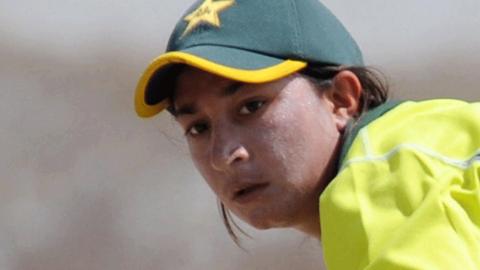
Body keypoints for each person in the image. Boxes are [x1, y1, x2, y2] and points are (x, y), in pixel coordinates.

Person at [134, 0, 480, 269]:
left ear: (341, 99)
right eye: (198, 128)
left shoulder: (386, 167)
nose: (224, 154)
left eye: (252, 106)